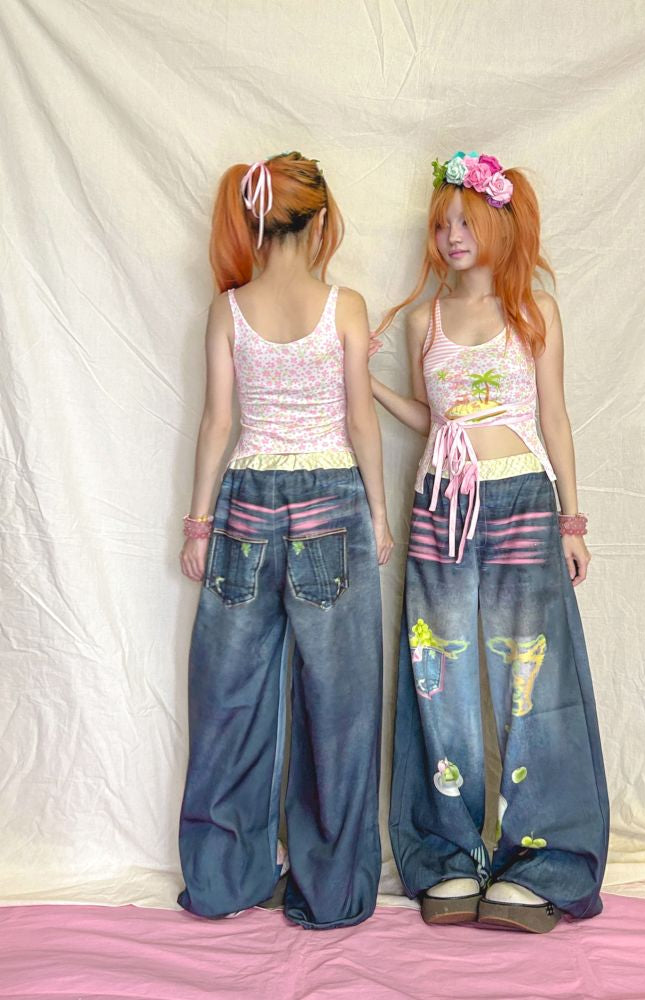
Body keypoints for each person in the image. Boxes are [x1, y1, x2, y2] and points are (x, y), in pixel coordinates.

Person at [370, 150, 609, 932]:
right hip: (440, 503)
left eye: (465, 221)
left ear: (499, 223)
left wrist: (571, 520)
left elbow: (555, 417)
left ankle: (543, 859)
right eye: (442, 224)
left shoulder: (534, 311)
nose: (452, 236)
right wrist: (368, 386)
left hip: (521, 503)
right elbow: (431, 419)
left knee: (530, 679)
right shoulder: (423, 321)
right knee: (436, 674)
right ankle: (445, 854)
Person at [177, 152, 393, 930]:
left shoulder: (228, 309)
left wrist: (198, 523)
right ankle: (330, 891)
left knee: (229, 699)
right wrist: (379, 512)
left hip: (245, 503)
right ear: (321, 219)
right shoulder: (346, 306)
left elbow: (218, 423)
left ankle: (220, 881)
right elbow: (361, 420)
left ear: (257, 219)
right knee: (338, 704)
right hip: (332, 500)